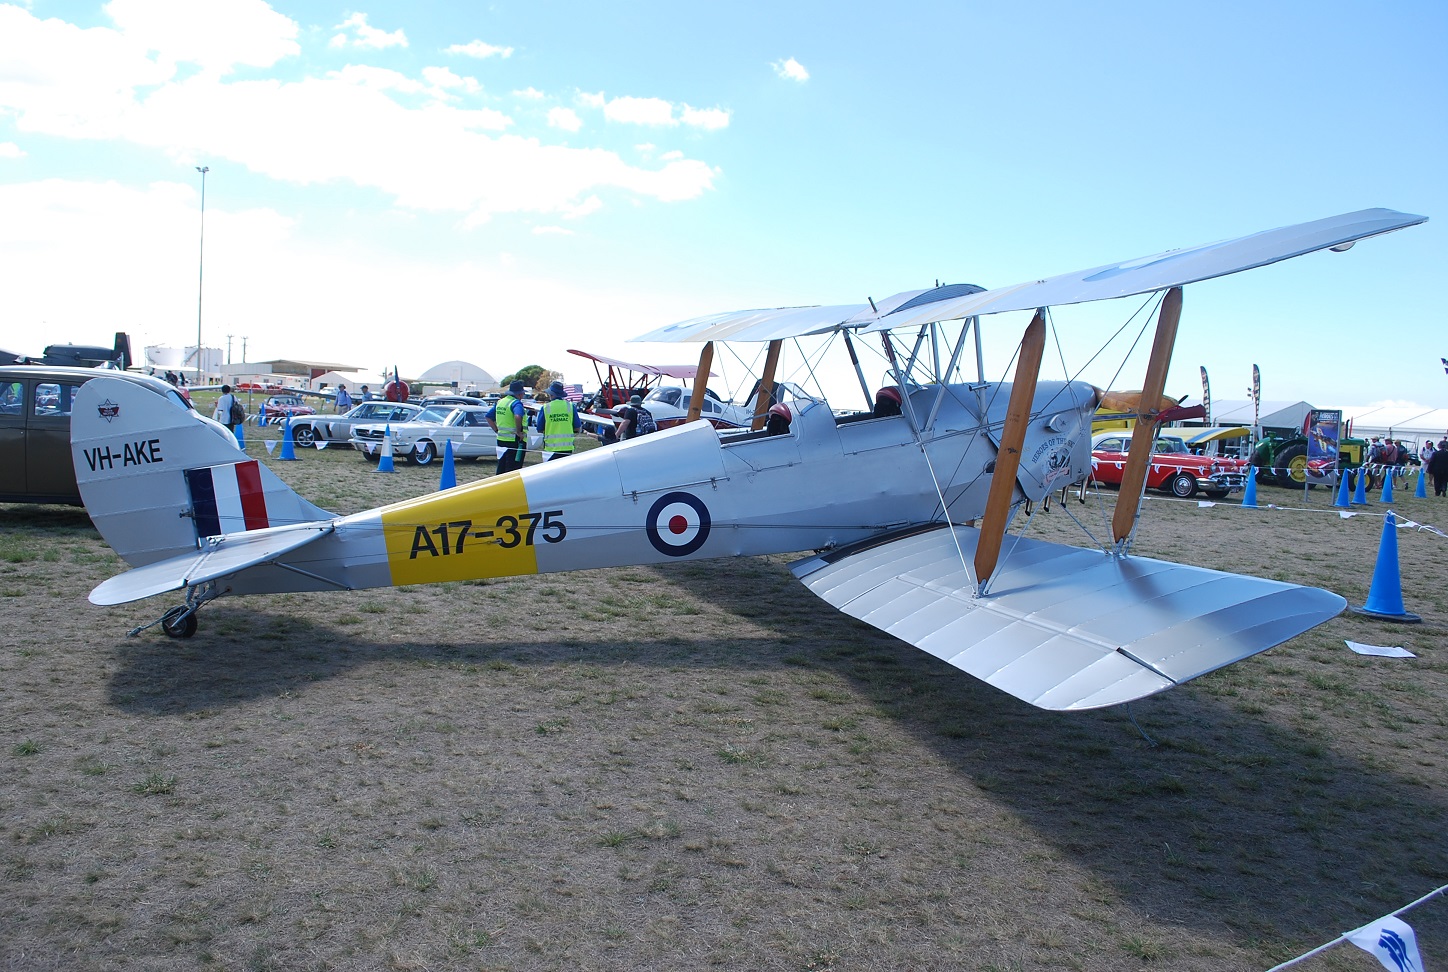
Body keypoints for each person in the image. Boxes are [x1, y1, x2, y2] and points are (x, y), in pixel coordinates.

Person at [488, 379, 529, 473]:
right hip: (515, 441)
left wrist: (496, 430)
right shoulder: (516, 403)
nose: (523, 396)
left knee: (501, 467)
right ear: (519, 394)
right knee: (513, 469)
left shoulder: (500, 402)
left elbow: (488, 417)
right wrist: (519, 432)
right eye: (522, 393)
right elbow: (518, 416)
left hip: (501, 440)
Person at [537, 380, 582, 460]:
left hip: (550, 449)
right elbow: (577, 428)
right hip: (567, 448)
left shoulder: (545, 408)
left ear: (551, 394)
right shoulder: (570, 406)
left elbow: (539, 429)